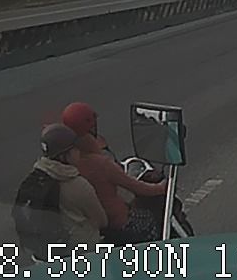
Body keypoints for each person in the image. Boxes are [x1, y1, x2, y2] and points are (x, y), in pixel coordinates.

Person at [62, 102, 168, 244]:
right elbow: (135, 186)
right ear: (91, 126)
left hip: (92, 228)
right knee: (153, 220)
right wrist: (161, 188)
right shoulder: (100, 163)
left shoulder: (66, 163)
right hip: (119, 223)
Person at [30, 124, 108, 249]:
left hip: (46, 249)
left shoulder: (37, 178)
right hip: (83, 250)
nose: (78, 152)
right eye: (75, 149)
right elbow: (101, 221)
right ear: (63, 156)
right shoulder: (79, 185)